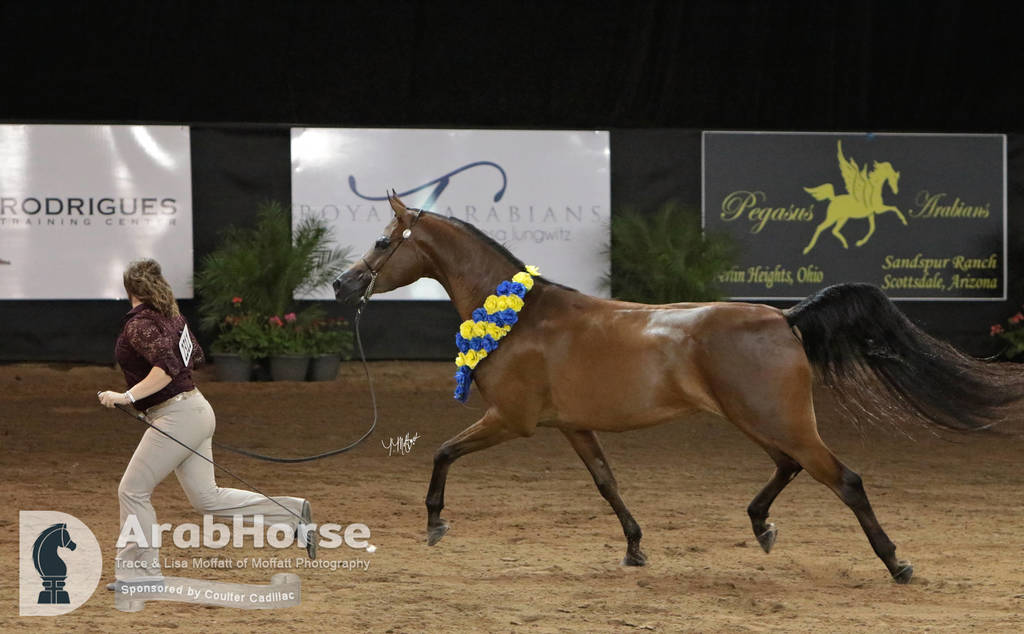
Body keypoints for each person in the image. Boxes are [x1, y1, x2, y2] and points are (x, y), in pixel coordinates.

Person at [97, 259, 314, 585]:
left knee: (133, 490)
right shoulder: (172, 316)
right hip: (195, 409)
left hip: (176, 415)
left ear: (128, 288)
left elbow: (166, 368)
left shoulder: (139, 325)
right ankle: (290, 513)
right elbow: (195, 356)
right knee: (207, 499)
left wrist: (125, 396)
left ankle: (141, 573)